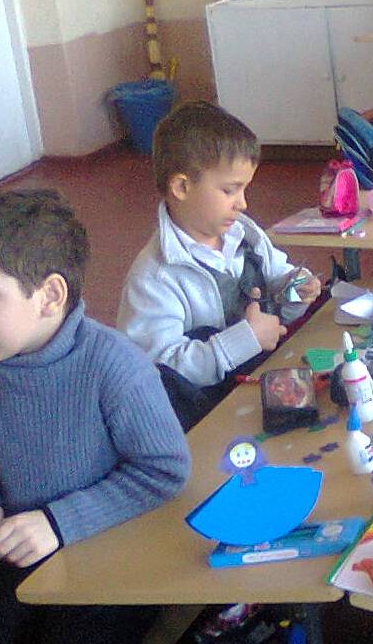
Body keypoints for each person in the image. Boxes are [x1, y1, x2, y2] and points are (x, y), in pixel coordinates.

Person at [0, 189, 191, 644]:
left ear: (50, 295)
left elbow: (164, 470)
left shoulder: (114, 365)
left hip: (107, 550)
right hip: (8, 550)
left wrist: (58, 522)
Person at [118, 101, 322, 430]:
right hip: (210, 415)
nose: (243, 203)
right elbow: (159, 370)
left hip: (267, 384)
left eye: (244, 189)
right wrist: (245, 340)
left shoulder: (244, 234)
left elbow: (279, 281)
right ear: (182, 187)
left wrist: (297, 290)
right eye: (230, 190)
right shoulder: (155, 277)